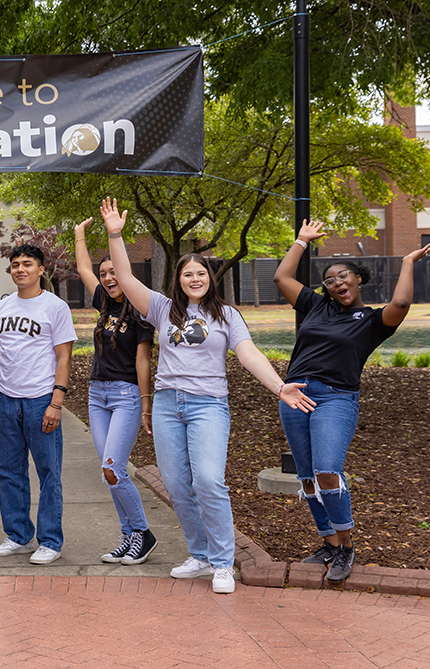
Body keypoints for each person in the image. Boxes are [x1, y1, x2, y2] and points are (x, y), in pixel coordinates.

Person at [101, 196, 315, 593]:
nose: (195, 279)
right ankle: (199, 554)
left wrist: (278, 385)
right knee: (177, 485)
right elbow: (126, 279)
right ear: (178, 280)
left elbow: (248, 353)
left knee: (209, 481)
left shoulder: (227, 315)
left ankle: (222, 563)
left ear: (210, 278)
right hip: (168, 404)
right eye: (187, 274)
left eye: (201, 273)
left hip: (208, 406)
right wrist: (116, 234)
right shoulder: (162, 308)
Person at [274, 220, 430, 583]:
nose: (337, 283)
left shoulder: (373, 320)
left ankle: (346, 546)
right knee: (307, 477)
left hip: (335, 398)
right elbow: (282, 278)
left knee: (327, 470)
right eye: (329, 280)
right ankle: (328, 543)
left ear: (358, 278)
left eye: (343, 276)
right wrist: (301, 241)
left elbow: (402, 302)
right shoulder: (316, 306)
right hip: (295, 395)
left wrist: (407, 262)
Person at [0, 244, 77, 566]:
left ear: (41, 269)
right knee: (8, 473)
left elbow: (64, 357)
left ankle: (50, 541)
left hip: (41, 400)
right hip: (6, 399)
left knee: (48, 473)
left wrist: (57, 402)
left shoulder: (55, 307)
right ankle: (19, 536)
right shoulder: (3, 307)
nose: (20, 269)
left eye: (27, 264)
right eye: (16, 265)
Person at [74, 217, 157, 565]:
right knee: (109, 473)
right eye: (104, 273)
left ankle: (143, 533)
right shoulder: (105, 303)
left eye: (113, 272)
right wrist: (79, 235)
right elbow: (83, 269)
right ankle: (128, 536)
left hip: (125, 397)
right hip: (97, 396)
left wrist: (145, 405)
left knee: (113, 469)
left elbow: (142, 361)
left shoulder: (140, 311)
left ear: (124, 273)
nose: (108, 278)